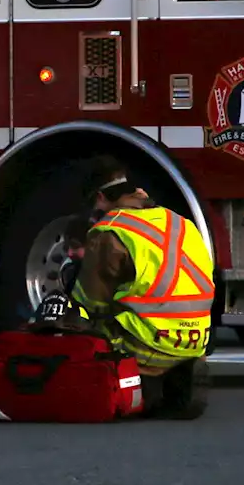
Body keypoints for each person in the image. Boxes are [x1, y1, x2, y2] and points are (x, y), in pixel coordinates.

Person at [70, 155, 214, 419]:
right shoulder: (181, 223)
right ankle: (177, 376)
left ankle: (136, 384)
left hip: (145, 346)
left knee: (85, 327)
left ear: (101, 198)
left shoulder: (110, 230)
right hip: (195, 341)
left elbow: (90, 303)